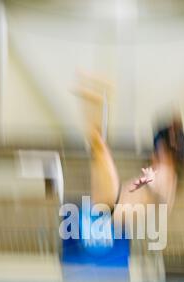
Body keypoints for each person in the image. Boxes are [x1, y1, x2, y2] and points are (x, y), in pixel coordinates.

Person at [73, 74, 178, 223]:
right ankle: (95, 101)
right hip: (109, 203)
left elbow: (157, 191)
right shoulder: (166, 176)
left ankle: (95, 100)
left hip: (112, 201)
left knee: (98, 145)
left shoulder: (165, 175)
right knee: (97, 147)